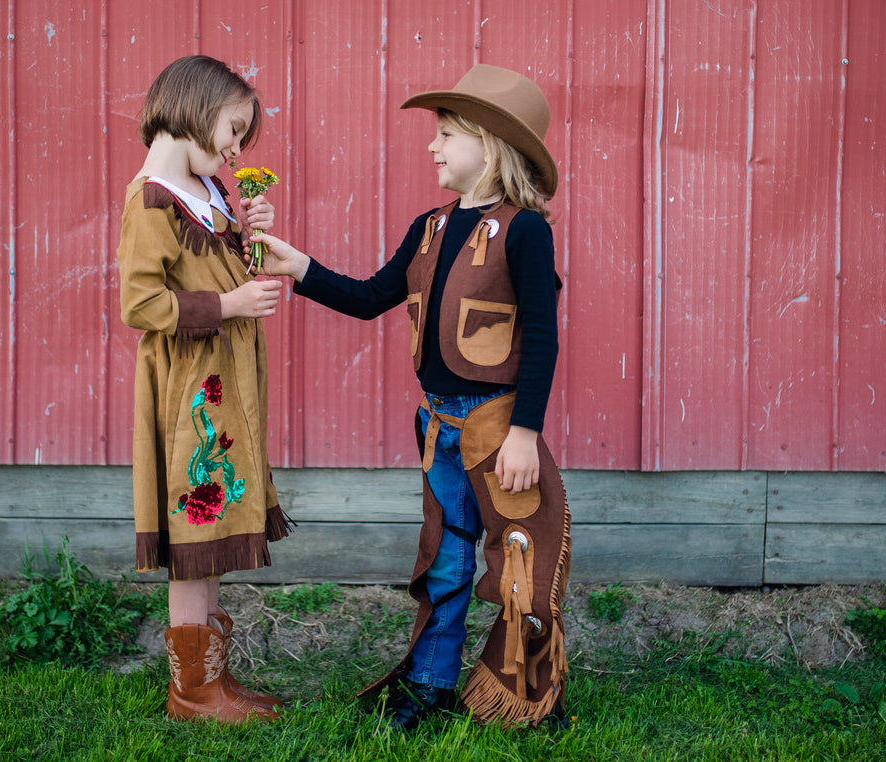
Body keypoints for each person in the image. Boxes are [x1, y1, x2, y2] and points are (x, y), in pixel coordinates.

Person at [253, 64, 571, 729]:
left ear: (489, 145)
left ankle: (526, 698)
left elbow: (540, 337)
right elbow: (372, 298)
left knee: (520, 565)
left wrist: (523, 433)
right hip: (438, 429)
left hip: (496, 429)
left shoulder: (525, 231)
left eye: (447, 135)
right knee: (445, 559)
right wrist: (298, 267)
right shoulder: (428, 227)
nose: (433, 147)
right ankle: (427, 688)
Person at [117, 54, 293, 723]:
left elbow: (219, 271)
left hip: (222, 388)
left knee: (211, 517)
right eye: (232, 127)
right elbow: (140, 303)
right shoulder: (152, 199)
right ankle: (193, 692)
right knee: (197, 518)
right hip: (191, 389)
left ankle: (211, 682)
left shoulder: (204, 190)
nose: (236, 147)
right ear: (192, 107)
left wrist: (251, 232)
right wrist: (227, 307)